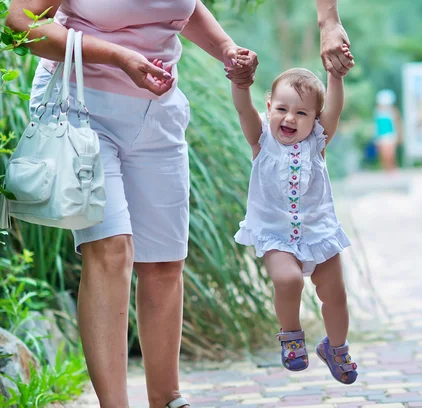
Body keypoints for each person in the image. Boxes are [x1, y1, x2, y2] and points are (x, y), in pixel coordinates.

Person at [7, 1, 258, 407]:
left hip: (158, 112)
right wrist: (116, 56)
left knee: (163, 263)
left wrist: (227, 49)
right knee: (111, 248)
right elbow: (19, 22)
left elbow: (184, 7)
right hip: (82, 108)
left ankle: (167, 399)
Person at [230, 41, 359, 383]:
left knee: (336, 294)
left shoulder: (317, 141)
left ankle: (336, 347)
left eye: (302, 113)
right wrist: (240, 83)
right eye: (282, 109)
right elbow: (243, 109)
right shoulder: (261, 139)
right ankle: (291, 336)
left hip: (319, 232)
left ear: (315, 120)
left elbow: (335, 109)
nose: (290, 118)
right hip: (275, 233)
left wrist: (336, 77)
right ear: (269, 107)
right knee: (286, 280)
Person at [374, 89, 403, 171]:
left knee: (391, 154)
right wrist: (376, 138)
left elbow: (397, 124)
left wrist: (399, 136)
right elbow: (376, 126)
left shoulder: (393, 112)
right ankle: (386, 170)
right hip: (382, 136)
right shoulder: (377, 112)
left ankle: (393, 169)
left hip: (391, 135)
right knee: (384, 154)